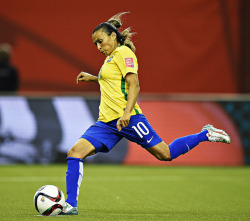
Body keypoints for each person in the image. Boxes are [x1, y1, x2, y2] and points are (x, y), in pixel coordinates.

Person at [60, 12, 230, 215]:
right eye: (95, 44)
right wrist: (95, 78)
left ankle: (205, 134)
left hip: (128, 119)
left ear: (113, 36)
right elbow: (115, 81)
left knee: (165, 154)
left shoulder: (124, 53)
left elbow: (134, 85)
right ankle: (70, 205)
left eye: (101, 41)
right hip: (106, 123)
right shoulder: (110, 58)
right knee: (74, 153)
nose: (99, 47)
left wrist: (127, 112)